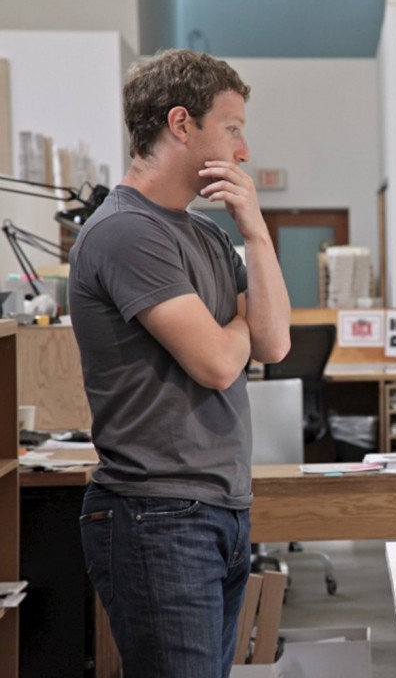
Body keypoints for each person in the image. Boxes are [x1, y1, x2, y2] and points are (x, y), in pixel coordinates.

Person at [69, 49, 291, 677]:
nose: (243, 150)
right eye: (232, 127)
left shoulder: (210, 235)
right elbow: (219, 364)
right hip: (158, 515)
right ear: (180, 124)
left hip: (216, 508)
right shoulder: (125, 233)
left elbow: (273, 345)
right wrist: (242, 325)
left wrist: (256, 232)